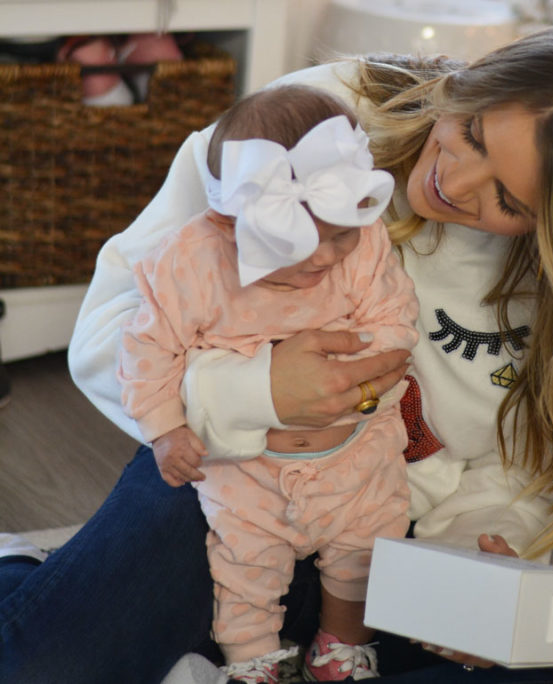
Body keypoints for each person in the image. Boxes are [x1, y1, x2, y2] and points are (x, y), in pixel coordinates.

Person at [1, 19, 553, 684]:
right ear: (473, 82)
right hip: (230, 491)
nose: (452, 184)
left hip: (381, 546)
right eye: (471, 132)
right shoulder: (315, 122)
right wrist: (257, 392)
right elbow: (111, 334)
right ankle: (47, 586)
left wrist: (469, 558)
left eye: (509, 202)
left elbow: (526, 471)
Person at [117, 84, 418, 682]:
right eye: (295, 244)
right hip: (247, 466)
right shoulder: (192, 262)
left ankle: (341, 646)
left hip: (356, 453)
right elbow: (148, 349)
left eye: (341, 234)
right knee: (244, 565)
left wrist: (361, 371)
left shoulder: (363, 249)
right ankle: (251, 657)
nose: (324, 258)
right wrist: (165, 430)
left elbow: (394, 318)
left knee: (366, 551)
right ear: (227, 223)